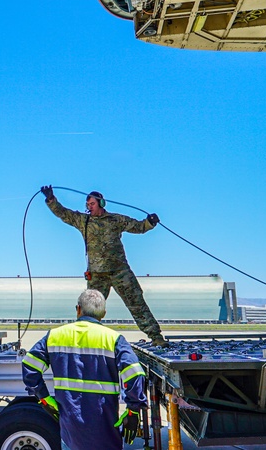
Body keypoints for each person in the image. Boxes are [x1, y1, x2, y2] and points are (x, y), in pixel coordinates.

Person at [41, 185, 168, 346]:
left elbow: (138, 226)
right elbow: (64, 214)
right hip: (97, 274)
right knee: (89, 309)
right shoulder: (84, 221)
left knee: (137, 303)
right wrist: (51, 199)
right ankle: (83, 341)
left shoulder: (115, 220)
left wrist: (150, 222)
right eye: (87, 205)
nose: (89, 207)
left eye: (92, 204)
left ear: (101, 203)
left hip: (120, 271)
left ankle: (156, 337)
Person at [22, 289, 147, 450]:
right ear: (103, 313)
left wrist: (44, 397)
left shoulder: (54, 336)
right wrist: (133, 410)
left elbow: (29, 365)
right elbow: (135, 375)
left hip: (71, 435)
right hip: (105, 433)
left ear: (78, 309)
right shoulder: (114, 339)